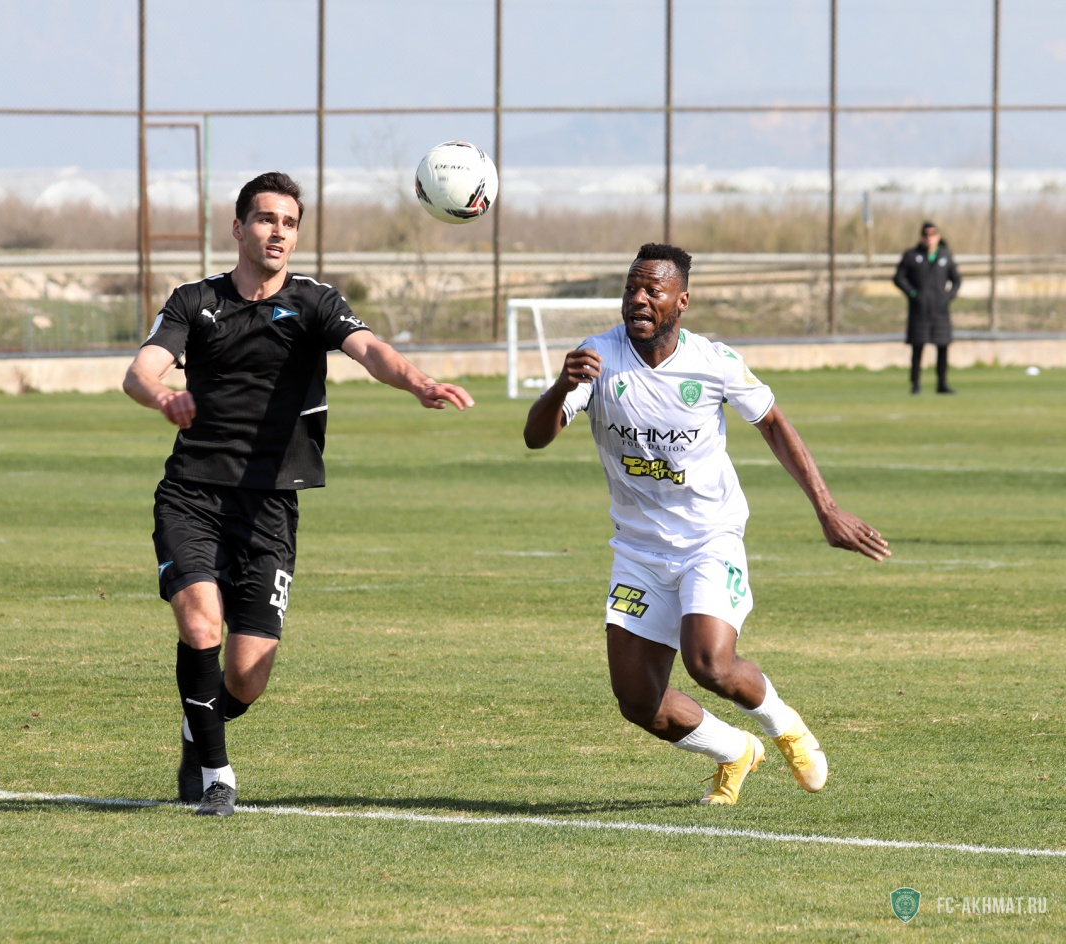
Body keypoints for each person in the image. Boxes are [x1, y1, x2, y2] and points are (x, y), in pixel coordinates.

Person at [123, 171, 474, 816]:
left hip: (271, 505)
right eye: (265, 219)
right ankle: (217, 776)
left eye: (288, 223)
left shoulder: (315, 303)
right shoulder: (194, 301)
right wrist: (163, 395)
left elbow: (371, 351)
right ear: (238, 228)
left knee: (247, 676)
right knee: (201, 625)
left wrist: (419, 382)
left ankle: (199, 726)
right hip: (193, 494)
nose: (277, 232)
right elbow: (140, 371)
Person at [523, 243, 890, 806]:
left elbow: (774, 424)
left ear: (682, 301)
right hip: (638, 550)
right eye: (631, 288)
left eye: (653, 290)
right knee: (637, 702)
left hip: (708, 538)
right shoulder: (596, 357)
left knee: (709, 663)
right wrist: (561, 386)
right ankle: (735, 750)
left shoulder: (713, 362)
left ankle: (785, 726)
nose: (638, 299)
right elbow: (535, 437)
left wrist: (827, 508)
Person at [893, 221, 961, 394]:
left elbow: (956, 280)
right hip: (919, 309)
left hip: (940, 309)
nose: (929, 238)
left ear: (938, 236)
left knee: (943, 346)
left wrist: (948, 296)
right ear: (922, 237)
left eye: (932, 235)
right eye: (926, 235)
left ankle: (942, 383)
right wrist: (913, 294)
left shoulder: (945, 256)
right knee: (918, 346)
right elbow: (899, 278)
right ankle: (915, 384)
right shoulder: (911, 256)